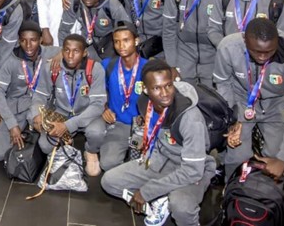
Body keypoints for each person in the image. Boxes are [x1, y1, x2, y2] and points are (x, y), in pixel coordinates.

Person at [101, 59, 215, 226]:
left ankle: (166, 199)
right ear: (146, 90)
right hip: (160, 159)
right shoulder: (145, 103)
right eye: (156, 88)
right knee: (109, 181)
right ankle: (161, 201)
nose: (164, 93)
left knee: (181, 206)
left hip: (192, 169)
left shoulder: (190, 118)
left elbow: (192, 171)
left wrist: (147, 191)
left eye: (168, 85)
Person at [213, 19, 284, 179]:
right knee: (237, 156)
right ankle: (232, 193)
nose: (262, 56)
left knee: (275, 157)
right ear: (245, 40)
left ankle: (267, 197)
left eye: (269, 52)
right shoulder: (228, 47)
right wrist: (232, 117)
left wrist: (283, 158)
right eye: (256, 51)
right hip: (241, 100)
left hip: (276, 103)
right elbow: (222, 82)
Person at [30, 34, 107, 176]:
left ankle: (90, 151)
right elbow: (39, 95)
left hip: (87, 114)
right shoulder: (51, 68)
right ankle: (64, 145)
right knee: (45, 146)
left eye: (76, 51)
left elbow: (97, 105)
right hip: (61, 113)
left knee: (97, 133)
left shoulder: (95, 70)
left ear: (84, 53)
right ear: (61, 51)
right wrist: (36, 114)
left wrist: (67, 126)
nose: (70, 55)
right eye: (66, 50)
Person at [0, 21, 60, 161]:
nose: (28, 46)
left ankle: (36, 133)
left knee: (47, 146)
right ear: (19, 41)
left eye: (33, 40)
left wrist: (61, 55)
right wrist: (12, 125)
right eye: (23, 40)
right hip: (18, 108)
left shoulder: (49, 52)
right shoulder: (11, 60)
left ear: (41, 40)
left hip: (43, 106)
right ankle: (25, 129)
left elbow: (77, 49)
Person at [162, 0, 220, 87]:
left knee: (212, 102)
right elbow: (168, 32)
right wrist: (172, 65)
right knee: (185, 100)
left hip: (212, 58)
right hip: (184, 55)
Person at [97, 21, 148, 171]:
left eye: (126, 40)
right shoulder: (107, 65)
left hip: (142, 126)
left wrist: (148, 119)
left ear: (136, 41)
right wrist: (104, 108)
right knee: (107, 163)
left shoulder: (148, 68)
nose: (121, 46)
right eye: (117, 42)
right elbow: (98, 94)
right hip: (118, 124)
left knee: (146, 166)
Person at [59, 0, 131, 61]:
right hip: (87, 40)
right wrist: (63, 50)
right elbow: (64, 30)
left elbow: (127, 32)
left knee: (108, 69)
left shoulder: (113, 6)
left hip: (109, 42)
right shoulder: (73, 2)